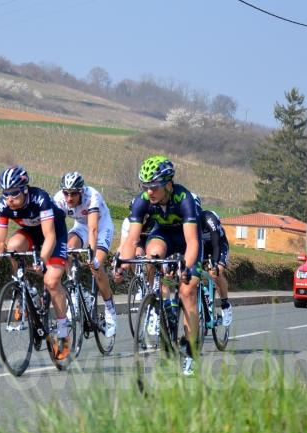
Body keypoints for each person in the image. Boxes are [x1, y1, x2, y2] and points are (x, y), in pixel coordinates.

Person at [113, 155, 202, 376]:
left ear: (168, 184)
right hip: (163, 235)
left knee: (187, 290)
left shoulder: (184, 198)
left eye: (154, 187)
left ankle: (190, 352)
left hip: (186, 239)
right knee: (152, 256)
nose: (149, 191)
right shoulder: (142, 201)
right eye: (145, 186)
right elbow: (132, 240)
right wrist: (122, 265)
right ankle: (156, 299)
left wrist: (186, 268)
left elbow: (192, 242)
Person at [0, 165, 71, 359]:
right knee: (13, 247)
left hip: (54, 234)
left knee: (52, 281)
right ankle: (24, 289)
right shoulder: (4, 204)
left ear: (24, 190)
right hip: (30, 234)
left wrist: (44, 260)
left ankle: (63, 333)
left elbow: (49, 237)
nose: (9, 198)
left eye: (14, 193)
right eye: (5, 194)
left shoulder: (40, 199)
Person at [53, 171, 117, 337]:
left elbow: (94, 229)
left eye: (73, 194)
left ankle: (110, 309)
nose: (69, 198)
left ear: (81, 191)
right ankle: (75, 293)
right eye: (66, 193)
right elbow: (54, 227)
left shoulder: (93, 196)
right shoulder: (59, 199)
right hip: (81, 226)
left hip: (101, 227)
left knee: (96, 266)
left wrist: (93, 255)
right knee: (66, 250)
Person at [199, 209, 233, 327]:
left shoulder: (209, 218)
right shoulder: (186, 220)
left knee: (215, 273)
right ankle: (206, 301)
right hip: (201, 246)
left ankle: (225, 304)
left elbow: (216, 244)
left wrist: (215, 264)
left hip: (218, 244)